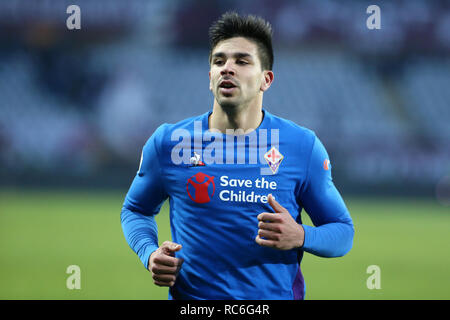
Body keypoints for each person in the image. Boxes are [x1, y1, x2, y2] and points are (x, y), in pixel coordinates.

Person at [121, 11, 354, 300]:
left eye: (242, 61)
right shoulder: (169, 142)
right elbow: (135, 210)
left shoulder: (301, 146)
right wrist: (149, 253)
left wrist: (302, 236)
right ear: (210, 78)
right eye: (219, 61)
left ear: (265, 79)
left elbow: (343, 232)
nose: (227, 68)